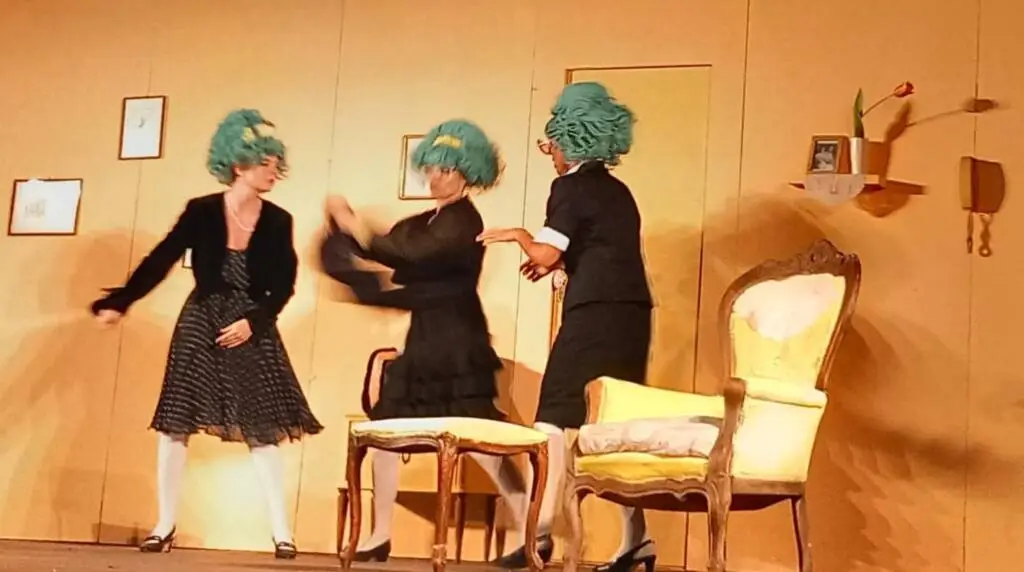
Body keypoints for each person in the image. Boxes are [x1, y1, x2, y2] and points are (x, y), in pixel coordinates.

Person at [91, 109, 323, 560]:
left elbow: (285, 284)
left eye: (276, 163)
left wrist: (254, 321)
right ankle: (164, 525)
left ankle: (282, 532)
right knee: (175, 422)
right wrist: (121, 301)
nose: (273, 170)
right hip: (201, 321)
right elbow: (161, 258)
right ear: (238, 164)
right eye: (265, 162)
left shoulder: (279, 220)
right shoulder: (201, 211)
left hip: (250, 325)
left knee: (262, 426)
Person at [320, 119, 529, 562]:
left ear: (466, 175)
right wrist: (346, 229)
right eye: (432, 169)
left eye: (446, 170)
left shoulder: (464, 220)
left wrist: (357, 227)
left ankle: (529, 528)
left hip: (457, 340)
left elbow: (411, 253)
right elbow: (389, 248)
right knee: (386, 431)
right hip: (424, 340)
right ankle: (379, 534)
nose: (436, 177)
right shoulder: (426, 221)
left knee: (481, 438)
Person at [478, 82, 656, 571]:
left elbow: (544, 251)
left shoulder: (570, 187)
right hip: (631, 314)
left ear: (570, 140)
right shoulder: (617, 191)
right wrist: (560, 264)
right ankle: (637, 541)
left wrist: (518, 236)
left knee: (554, 417)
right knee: (612, 422)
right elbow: (600, 248)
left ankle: (537, 534)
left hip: (594, 312)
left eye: (551, 144)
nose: (551, 155)